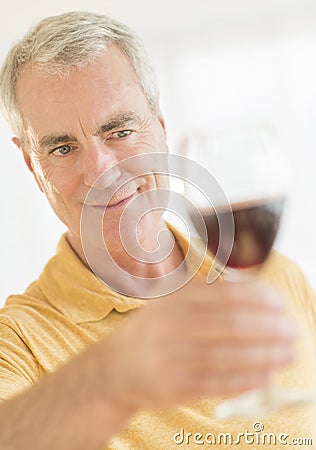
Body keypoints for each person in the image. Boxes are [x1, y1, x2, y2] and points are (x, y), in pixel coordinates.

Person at [0, 11, 315, 450]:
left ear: (161, 127)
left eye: (120, 131)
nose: (100, 171)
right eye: (63, 148)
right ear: (33, 164)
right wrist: (114, 375)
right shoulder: (18, 341)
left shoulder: (277, 276)